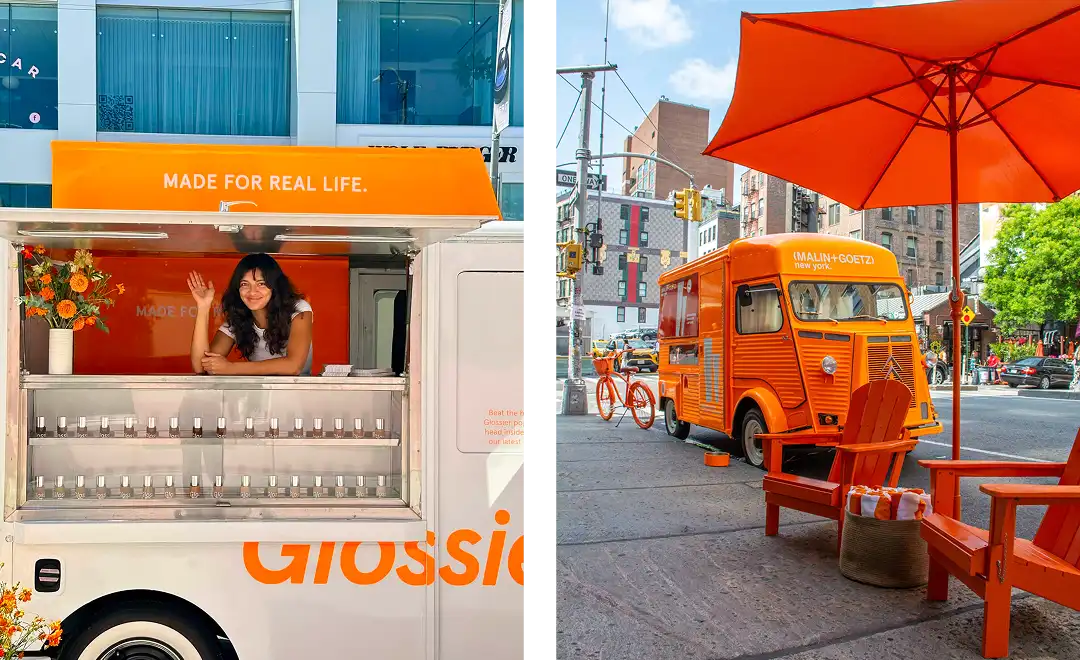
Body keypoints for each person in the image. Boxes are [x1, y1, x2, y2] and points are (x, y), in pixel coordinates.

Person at [187, 253, 314, 376]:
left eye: (261, 284)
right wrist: (203, 307)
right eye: (244, 284)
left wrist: (231, 368)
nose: (252, 292)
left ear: (275, 287)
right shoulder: (238, 318)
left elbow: (293, 366)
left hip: (298, 389)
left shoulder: (298, 309)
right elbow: (201, 367)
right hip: (258, 389)